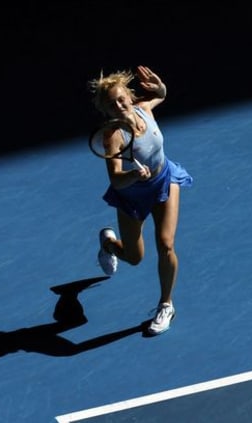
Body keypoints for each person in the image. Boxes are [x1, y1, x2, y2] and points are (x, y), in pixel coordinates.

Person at [88, 65, 193, 336]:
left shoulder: (144, 108)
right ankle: (109, 244)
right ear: (106, 110)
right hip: (132, 194)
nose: (119, 106)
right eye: (112, 104)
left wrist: (160, 86)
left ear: (129, 96)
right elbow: (116, 180)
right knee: (134, 258)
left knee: (166, 244)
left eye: (121, 99)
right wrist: (134, 174)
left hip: (164, 180)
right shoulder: (113, 137)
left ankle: (166, 305)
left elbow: (161, 94)